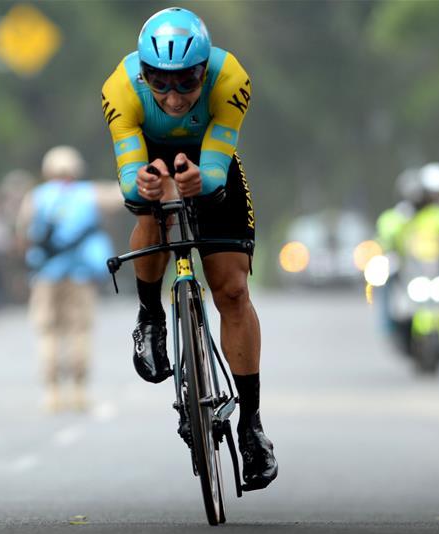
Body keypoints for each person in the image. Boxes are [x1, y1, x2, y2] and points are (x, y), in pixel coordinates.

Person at [101, 7, 277, 490]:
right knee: (146, 207)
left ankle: (251, 426)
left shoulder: (231, 78)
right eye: (160, 83)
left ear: (205, 71)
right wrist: (146, 185)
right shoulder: (120, 88)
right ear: (143, 74)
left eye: (185, 82)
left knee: (233, 292)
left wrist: (203, 179)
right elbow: (129, 182)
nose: (174, 97)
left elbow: (216, 175)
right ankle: (151, 318)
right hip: (149, 156)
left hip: (210, 161)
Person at [17, 146, 115, 413]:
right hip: (80, 274)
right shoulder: (89, 194)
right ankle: (80, 391)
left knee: (48, 331)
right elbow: (123, 195)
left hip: (46, 274)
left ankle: (53, 392)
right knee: (80, 330)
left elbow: (23, 231)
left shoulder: (36, 197)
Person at [376, 162, 439, 371]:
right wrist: (386, 250)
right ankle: (389, 329)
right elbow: (386, 232)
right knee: (387, 291)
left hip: (438, 270)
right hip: (411, 272)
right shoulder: (401, 216)